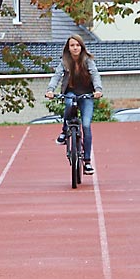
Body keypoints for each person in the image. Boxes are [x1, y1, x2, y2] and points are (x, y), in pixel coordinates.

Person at [44, 34, 103, 175]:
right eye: (72, 45)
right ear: (68, 48)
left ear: (81, 47)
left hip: (86, 95)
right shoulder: (65, 61)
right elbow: (57, 76)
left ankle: (87, 161)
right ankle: (64, 131)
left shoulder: (87, 61)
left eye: (77, 45)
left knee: (86, 125)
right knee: (69, 103)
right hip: (70, 92)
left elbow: (95, 75)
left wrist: (98, 90)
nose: (75, 48)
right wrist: (50, 90)